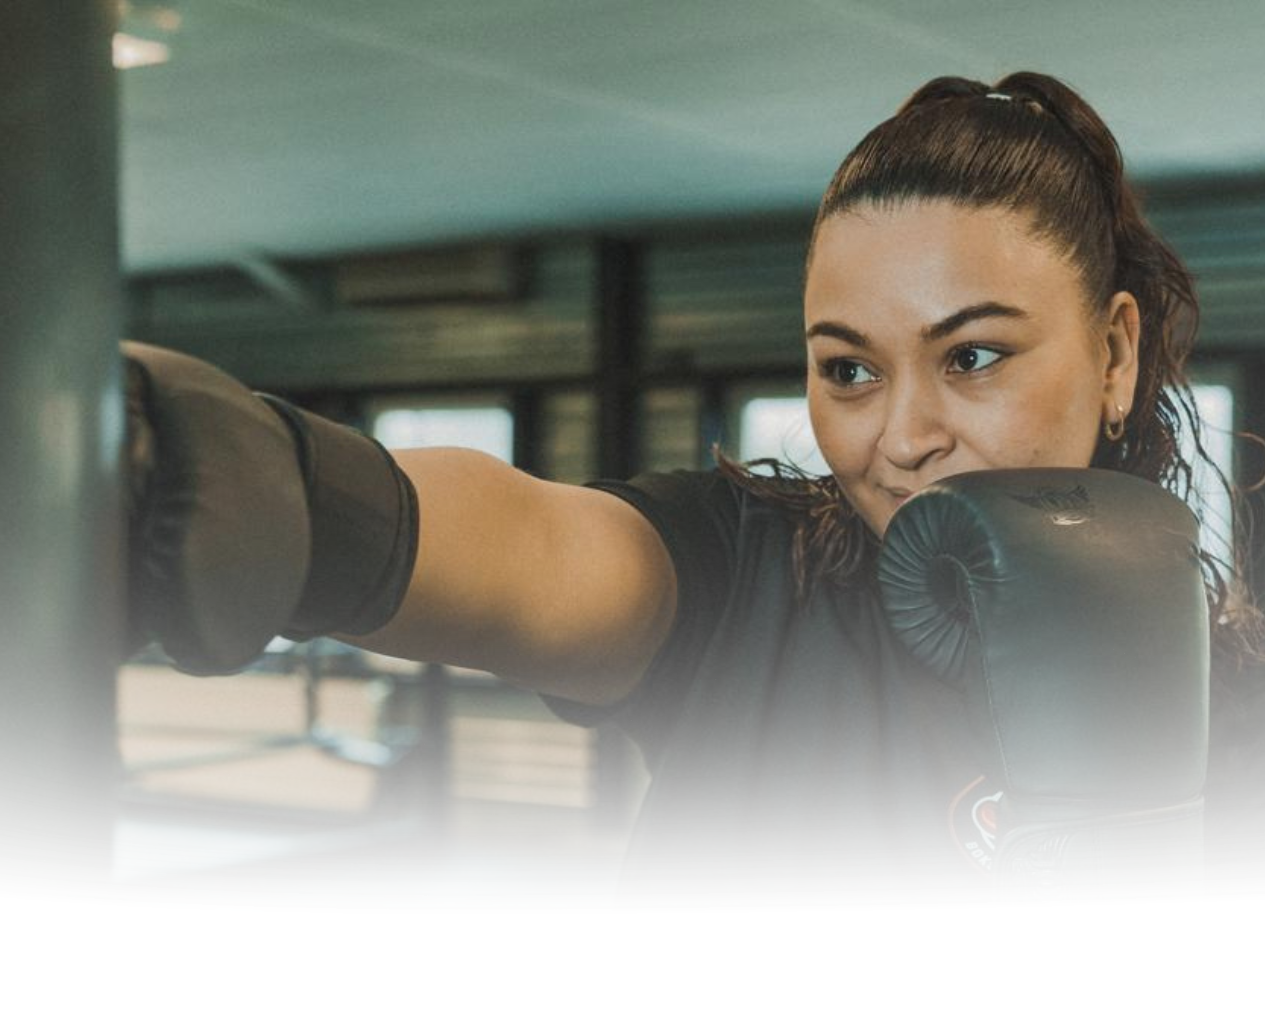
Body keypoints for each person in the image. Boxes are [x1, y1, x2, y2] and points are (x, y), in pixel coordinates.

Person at [124, 72, 1265, 893]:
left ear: (1114, 353)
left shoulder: (1242, 712)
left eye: (972, 356)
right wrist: (261, 482)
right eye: (849, 370)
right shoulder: (745, 582)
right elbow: (528, 549)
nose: (901, 435)